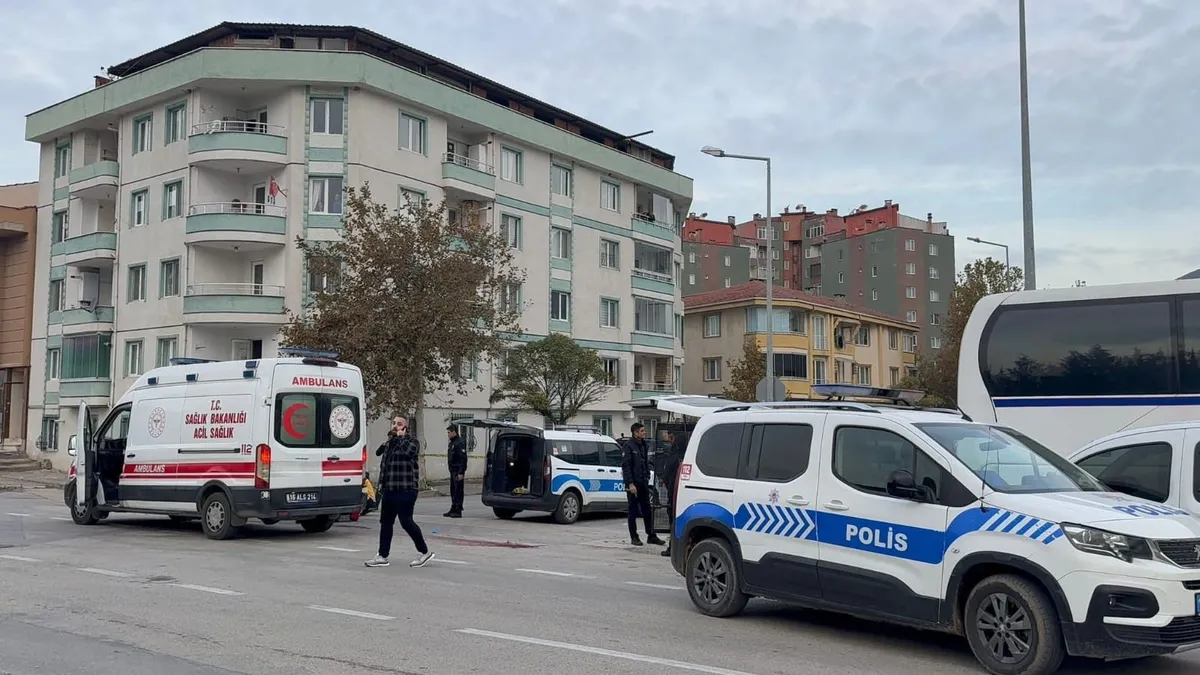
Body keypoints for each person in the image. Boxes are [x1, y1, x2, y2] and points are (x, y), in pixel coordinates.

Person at [365, 415, 435, 568]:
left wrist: (402, 438)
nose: (395, 426)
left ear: (405, 427)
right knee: (386, 523)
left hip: (406, 489)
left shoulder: (412, 441)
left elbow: (410, 452)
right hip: (390, 489)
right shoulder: (390, 443)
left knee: (406, 521)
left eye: (399, 424)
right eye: (394, 423)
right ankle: (382, 555)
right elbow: (379, 453)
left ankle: (425, 552)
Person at [620, 423, 665, 547]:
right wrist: (630, 483)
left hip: (643, 482)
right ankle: (634, 537)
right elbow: (626, 466)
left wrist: (647, 476)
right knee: (633, 511)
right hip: (633, 484)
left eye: (644, 430)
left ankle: (651, 535)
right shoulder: (629, 446)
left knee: (647, 510)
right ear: (635, 432)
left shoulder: (644, 445)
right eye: (642, 431)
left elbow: (645, 462)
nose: (644, 432)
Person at [660, 430, 687, 557]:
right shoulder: (689, 456)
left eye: (672, 438)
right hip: (686, 496)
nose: (670, 441)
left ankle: (672, 548)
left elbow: (666, 476)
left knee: (673, 522)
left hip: (674, 495)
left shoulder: (673, 457)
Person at [444, 424, 468, 518]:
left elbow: (463, 458)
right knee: (453, 490)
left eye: (449, 432)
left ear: (454, 432)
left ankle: (458, 509)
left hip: (458, 470)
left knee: (458, 490)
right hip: (452, 470)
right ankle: (453, 507)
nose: (448, 434)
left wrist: (461, 472)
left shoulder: (459, 443)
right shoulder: (452, 443)